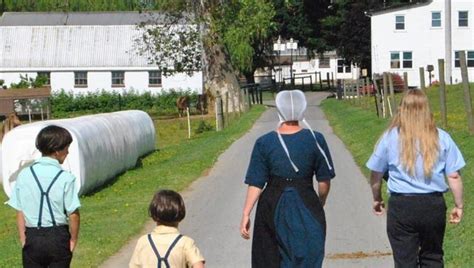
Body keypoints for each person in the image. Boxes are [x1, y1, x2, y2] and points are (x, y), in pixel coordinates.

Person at [366, 89, 465, 267]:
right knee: (433, 256)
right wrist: (459, 205)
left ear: (401, 110)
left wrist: (377, 198)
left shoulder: (389, 138)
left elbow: (376, 174)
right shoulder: (442, 137)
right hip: (432, 206)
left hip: (402, 206)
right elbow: (454, 175)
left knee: (404, 259)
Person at [240, 90, 336, 267]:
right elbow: (324, 182)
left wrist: (246, 213)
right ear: (302, 109)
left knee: (271, 256)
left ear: (280, 110)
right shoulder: (316, 140)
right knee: (308, 254)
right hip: (306, 199)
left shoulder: (264, 142)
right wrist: (319, 202)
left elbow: (256, 182)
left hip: (272, 204)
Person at [7, 125, 81, 268]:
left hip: (33, 236)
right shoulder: (66, 178)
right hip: (58, 237)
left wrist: (23, 239)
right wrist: (73, 240)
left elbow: (20, 210)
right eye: (66, 148)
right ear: (57, 150)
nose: (68, 152)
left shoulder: (24, 175)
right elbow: (73, 214)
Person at [129, 189, 205, 268]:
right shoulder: (185, 243)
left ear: (154, 215)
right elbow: (199, 266)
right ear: (180, 214)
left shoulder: (143, 242)